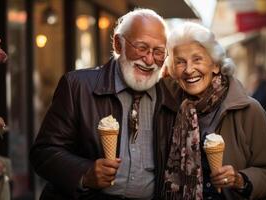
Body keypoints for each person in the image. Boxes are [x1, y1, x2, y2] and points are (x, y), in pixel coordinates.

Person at [29, 9, 178, 199]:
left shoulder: (170, 98)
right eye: (141, 48)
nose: (149, 60)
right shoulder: (78, 86)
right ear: (118, 44)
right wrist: (85, 173)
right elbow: (43, 153)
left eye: (158, 52)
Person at [163, 22, 266, 200]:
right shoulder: (169, 108)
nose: (188, 70)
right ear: (173, 70)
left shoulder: (249, 110)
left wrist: (240, 180)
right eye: (180, 62)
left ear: (216, 65)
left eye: (197, 59)